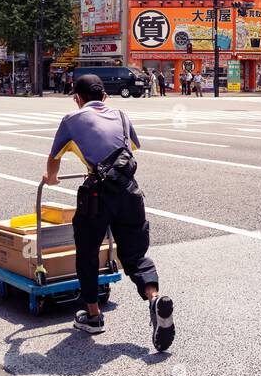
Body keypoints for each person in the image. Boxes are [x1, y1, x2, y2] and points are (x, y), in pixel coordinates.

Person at [43, 74, 175, 349]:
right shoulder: (123, 116)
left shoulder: (71, 119)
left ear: (77, 99)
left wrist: (51, 178)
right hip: (129, 191)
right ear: (105, 97)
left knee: (88, 253)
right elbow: (131, 147)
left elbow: (54, 159)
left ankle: (93, 316)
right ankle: (154, 300)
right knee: (135, 255)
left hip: (96, 195)